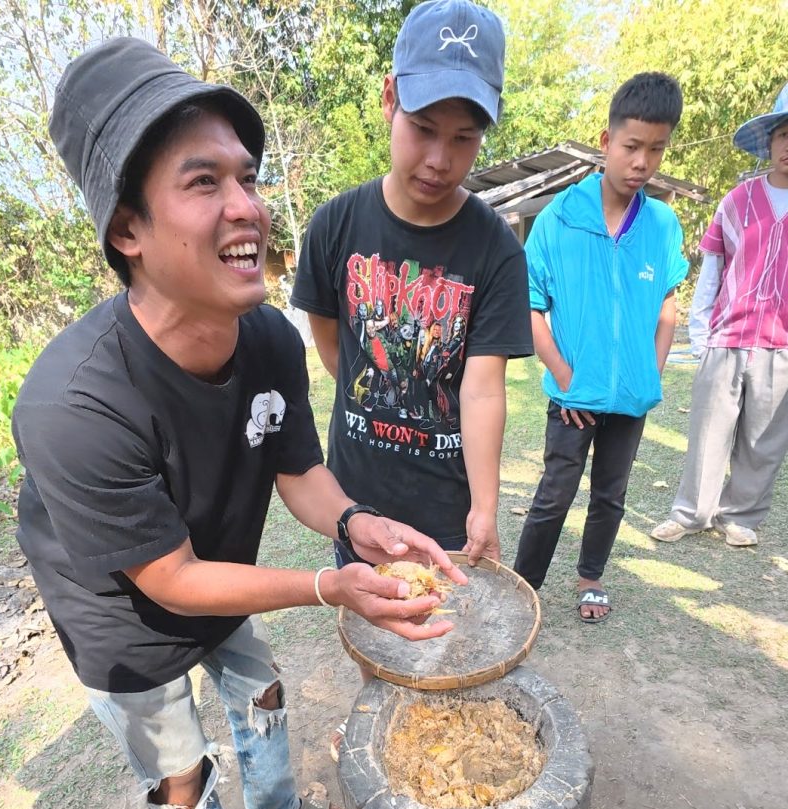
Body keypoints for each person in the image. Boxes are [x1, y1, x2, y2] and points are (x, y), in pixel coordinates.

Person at [11, 38, 467, 809]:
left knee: (260, 693)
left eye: (248, 178)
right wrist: (325, 586)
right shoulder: (72, 405)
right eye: (203, 181)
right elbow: (168, 580)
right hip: (123, 617)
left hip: (221, 568)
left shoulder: (264, 335)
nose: (247, 205)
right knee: (179, 775)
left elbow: (301, 470)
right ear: (128, 230)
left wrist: (356, 527)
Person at [291, 0, 532, 570]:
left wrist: (485, 507)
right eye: (423, 129)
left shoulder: (496, 248)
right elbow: (336, 344)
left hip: (447, 506)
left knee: (443, 644)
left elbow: (481, 388)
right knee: (374, 647)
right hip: (358, 501)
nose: (439, 160)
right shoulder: (334, 225)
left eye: (463, 138)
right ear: (388, 99)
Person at [512, 72, 689, 622]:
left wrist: (650, 375)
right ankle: (523, 588)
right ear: (607, 141)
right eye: (633, 146)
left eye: (656, 149)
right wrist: (564, 377)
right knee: (553, 495)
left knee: (610, 495)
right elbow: (533, 307)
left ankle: (591, 579)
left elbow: (666, 307)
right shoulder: (558, 221)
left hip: (630, 400)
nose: (643, 162)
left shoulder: (661, 224)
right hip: (572, 398)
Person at [651, 84, 788, 548]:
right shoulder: (738, 201)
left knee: (764, 440)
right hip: (727, 337)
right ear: (769, 141)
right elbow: (711, 270)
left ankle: (741, 515)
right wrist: (701, 335)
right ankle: (690, 514)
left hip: (782, 346)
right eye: (784, 134)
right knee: (709, 431)